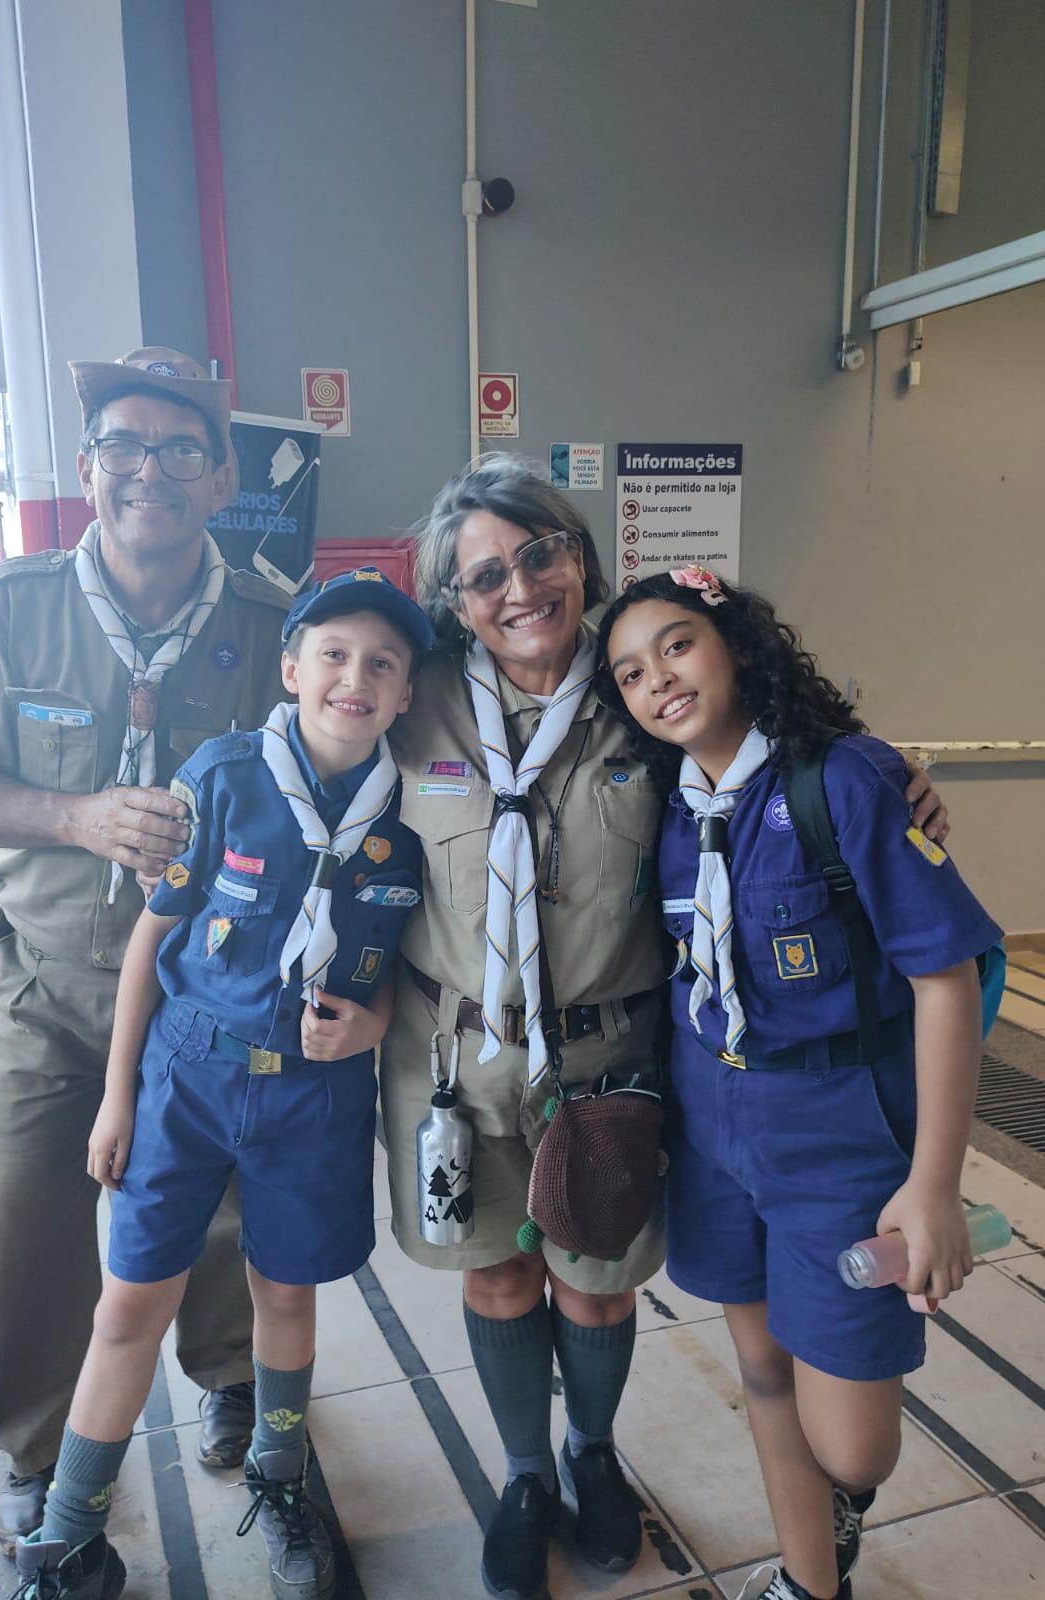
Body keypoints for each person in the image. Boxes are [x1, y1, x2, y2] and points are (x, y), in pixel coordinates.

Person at [380, 456, 948, 1600]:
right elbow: (310, 751)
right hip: (455, 1055)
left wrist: (901, 774)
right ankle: (525, 1474)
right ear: (454, 601)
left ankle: (593, 1455)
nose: (520, 589)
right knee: (498, 1277)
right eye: (485, 576)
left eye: (540, 553)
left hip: (612, 1055)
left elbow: (782, 741)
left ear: (578, 555)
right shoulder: (414, 695)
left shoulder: (637, 680)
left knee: (597, 1282)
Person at [0, 348, 288, 1552]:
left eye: (180, 448)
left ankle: (233, 1379)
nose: (148, 470)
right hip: (47, 984)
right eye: (122, 444)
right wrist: (75, 817)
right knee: (29, 1227)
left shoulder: (270, 624)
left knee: (226, 1210)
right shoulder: (20, 610)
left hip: (211, 991)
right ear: (87, 469)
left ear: (221, 475)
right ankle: (38, 1448)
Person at [10, 567, 432, 1600]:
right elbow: (153, 935)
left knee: (283, 1294)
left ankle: (280, 1479)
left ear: (406, 693)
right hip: (186, 1080)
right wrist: (118, 1096)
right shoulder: (225, 775)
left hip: (315, 1098)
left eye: (382, 664)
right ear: (291, 669)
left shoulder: (417, 811)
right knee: (130, 1304)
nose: (355, 678)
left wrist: (374, 1023)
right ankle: (69, 1536)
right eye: (333, 655)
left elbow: (409, 960)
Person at [594, 566, 1000, 1600]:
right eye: (631, 673)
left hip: (838, 1128)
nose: (658, 679)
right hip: (713, 1122)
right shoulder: (667, 810)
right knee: (765, 1372)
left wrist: (934, 1184)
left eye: (676, 645)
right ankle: (810, 1582)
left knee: (856, 1446)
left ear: (737, 645)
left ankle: (838, 1507)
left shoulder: (843, 780)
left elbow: (945, 981)